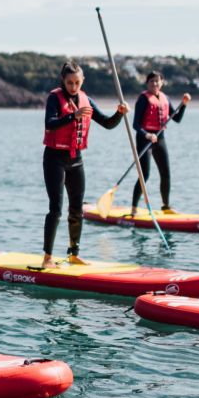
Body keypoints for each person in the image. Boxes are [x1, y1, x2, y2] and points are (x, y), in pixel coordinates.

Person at [41, 62, 128, 268]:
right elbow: (50, 123)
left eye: (77, 82)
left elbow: (107, 123)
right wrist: (73, 115)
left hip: (76, 160)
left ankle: (73, 253)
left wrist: (119, 113)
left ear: (82, 81)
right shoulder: (54, 98)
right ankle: (47, 258)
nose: (73, 87)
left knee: (77, 209)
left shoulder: (85, 99)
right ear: (63, 80)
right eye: (69, 82)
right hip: (54, 158)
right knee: (56, 209)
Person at [130, 71, 191, 215]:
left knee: (166, 173)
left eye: (157, 81)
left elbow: (176, 119)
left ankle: (166, 206)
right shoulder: (143, 99)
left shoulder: (165, 98)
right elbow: (135, 125)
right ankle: (133, 208)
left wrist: (184, 104)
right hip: (144, 139)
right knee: (144, 174)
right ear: (147, 83)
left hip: (160, 138)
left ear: (162, 82)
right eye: (151, 81)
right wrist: (147, 134)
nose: (154, 84)